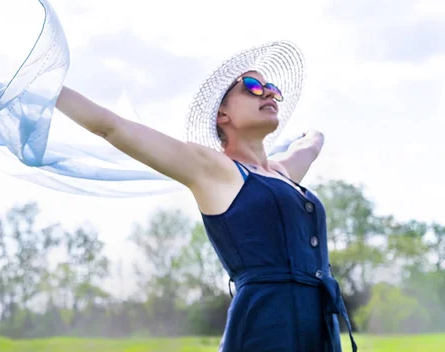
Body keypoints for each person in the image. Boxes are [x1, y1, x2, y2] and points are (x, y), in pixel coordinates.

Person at [55, 40, 357, 351]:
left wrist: (313, 135)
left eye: (273, 89)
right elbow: (111, 127)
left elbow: (309, 148)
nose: (267, 92)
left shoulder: (282, 174)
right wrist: (47, 88)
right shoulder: (213, 170)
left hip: (319, 331)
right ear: (222, 114)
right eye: (252, 86)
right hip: (265, 329)